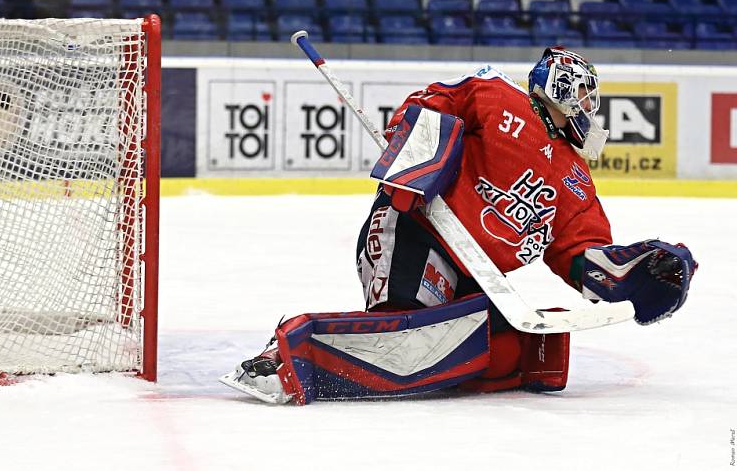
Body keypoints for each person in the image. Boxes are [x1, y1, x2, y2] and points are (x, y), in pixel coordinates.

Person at [221, 47, 697, 405]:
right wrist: (417, 160)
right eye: (585, 97)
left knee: (503, 349)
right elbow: (429, 105)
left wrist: (628, 272)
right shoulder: (498, 96)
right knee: (408, 337)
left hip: (474, 269)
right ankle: (288, 354)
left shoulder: (575, 179)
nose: (591, 111)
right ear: (560, 88)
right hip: (415, 228)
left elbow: (582, 249)